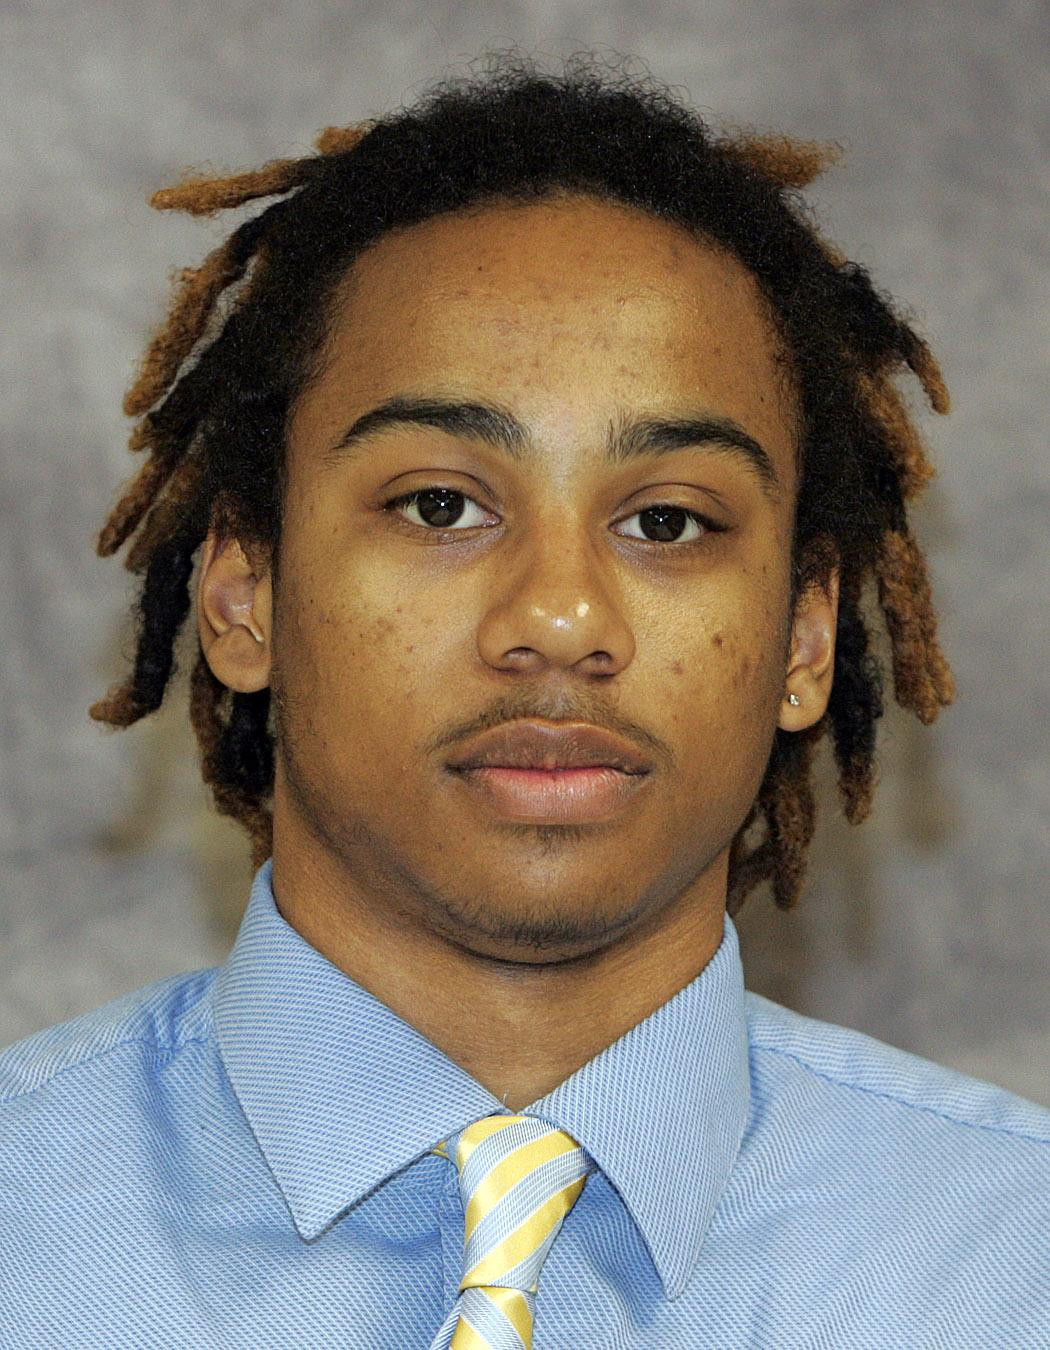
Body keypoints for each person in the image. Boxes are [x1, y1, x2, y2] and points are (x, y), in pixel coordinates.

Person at [1, 52, 1046, 1349]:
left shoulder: (1017, 1266)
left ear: (806, 636)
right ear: (242, 596)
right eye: (441, 505)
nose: (560, 618)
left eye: (667, 521)